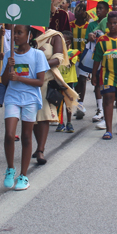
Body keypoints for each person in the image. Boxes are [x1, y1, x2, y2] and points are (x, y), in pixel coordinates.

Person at [1, 25, 49, 191]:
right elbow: (4, 81)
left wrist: (19, 78)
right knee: (9, 134)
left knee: (26, 137)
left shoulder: (37, 55)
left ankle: (23, 176)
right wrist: (8, 67)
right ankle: (10, 169)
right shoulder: (10, 55)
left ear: (29, 35)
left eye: (19, 33)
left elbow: (40, 81)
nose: (16, 36)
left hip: (30, 99)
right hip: (12, 97)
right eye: (14, 33)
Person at [32, 27, 78, 165]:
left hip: (47, 79)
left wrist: (40, 64)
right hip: (29, 79)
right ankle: (37, 144)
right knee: (33, 116)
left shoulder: (54, 36)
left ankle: (40, 149)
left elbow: (59, 59)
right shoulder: (27, 33)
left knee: (44, 115)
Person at [91, 11, 117, 140]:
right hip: (107, 74)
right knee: (108, 98)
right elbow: (97, 59)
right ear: (107, 24)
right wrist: (93, 75)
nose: (113, 25)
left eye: (115, 23)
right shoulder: (102, 40)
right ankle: (108, 130)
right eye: (110, 23)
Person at [86, 1, 110, 123]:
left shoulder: (110, 21)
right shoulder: (96, 24)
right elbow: (90, 36)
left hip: (110, 58)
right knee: (97, 81)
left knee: (107, 85)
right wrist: (91, 35)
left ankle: (108, 109)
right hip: (98, 56)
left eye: (101, 8)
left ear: (107, 10)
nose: (98, 10)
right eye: (97, 8)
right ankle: (100, 109)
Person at [70, 2, 90, 118]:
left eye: (82, 10)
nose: (78, 12)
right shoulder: (71, 25)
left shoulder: (88, 27)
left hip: (84, 58)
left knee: (82, 80)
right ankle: (74, 103)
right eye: (77, 10)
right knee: (73, 81)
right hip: (72, 58)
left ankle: (80, 104)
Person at [59, 31, 79, 132]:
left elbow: (70, 62)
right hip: (59, 80)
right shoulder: (57, 53)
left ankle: (69, 122)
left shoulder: (73, 52)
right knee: (59, 102)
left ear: (68, 42)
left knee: (69, 102)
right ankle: (60, 122)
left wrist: (66, 50)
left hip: (69, 81)